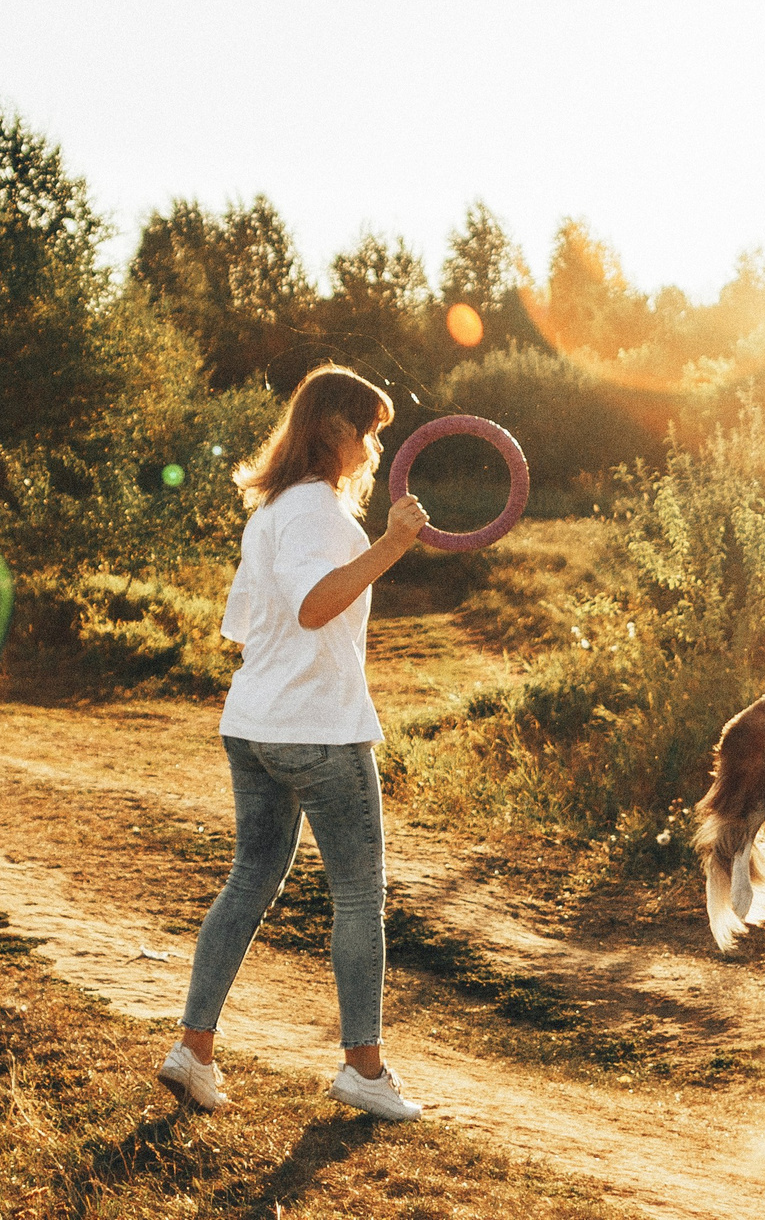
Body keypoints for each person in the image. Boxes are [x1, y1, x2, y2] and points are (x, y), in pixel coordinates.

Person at [154, 364, 430, 1122]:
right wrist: (392, 545)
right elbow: (314, 607)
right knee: (358, 896)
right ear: (334, 429)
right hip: (318, 731)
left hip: (255, 724)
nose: (376, 446)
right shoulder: (315, 511)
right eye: (369, 429)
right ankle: (364, 1070)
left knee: (249, 880)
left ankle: (194, 1051)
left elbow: (245, 625)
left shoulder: (273, 510)